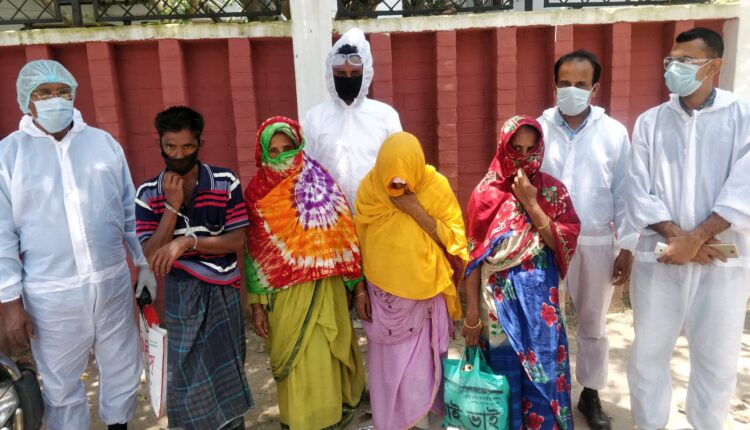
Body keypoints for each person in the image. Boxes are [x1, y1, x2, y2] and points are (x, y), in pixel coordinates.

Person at [0, 60, 156, 430]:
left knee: (122, 367)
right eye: (43, 93)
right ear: (27, 100)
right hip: (51, 295)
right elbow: (2, 234)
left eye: (62, 91)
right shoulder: (9, 155)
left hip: (111, 282)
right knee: (61, 384)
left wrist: (143, 264)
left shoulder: (102, 144)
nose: (55, 99)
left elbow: (128, 209)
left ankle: (119, 425)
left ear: (73, 94)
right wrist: (10, 302)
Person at [623, 27, 750, 430]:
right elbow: (637, 189)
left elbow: (745, 186)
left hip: (722, 260)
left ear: (714, 67)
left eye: (685, 61)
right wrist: (681, 239)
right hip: (661, 256)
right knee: (648, 354)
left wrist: (696, 239)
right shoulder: (651, 122)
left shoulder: (742, 117)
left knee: (716, 358)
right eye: (670, 60)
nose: (673, 68)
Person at [245, 116, 366, 430]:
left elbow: (343, 233)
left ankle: (330, 418)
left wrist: (357, 286)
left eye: (288, 147)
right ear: (263, 153)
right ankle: (297, 421)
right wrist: (256, 305)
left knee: (324, 356)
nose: (282, 156)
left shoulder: (319, 181)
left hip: (324, 288)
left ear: (299, 146)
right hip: (283, 299)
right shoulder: (256, 194)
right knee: (294, 363)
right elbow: (255, 255)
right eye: (274, 150)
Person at [135, 106, 252, 429]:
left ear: (200, 143)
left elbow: (236, 240)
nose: (179, 155)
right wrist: (171, 207)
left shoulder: (225, 182)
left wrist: (187, 243)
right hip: (181, 295)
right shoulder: (148, 193)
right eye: (171, 147)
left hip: (223, 291)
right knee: (186, 376)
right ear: (159, 144)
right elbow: (150, 255)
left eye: (187, 146)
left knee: (227, 370)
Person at [463, 115, 581, 430]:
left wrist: (532, 204)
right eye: (516, 149)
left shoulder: (552, 191)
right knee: (503, 383)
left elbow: (563, 244)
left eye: (531, 150)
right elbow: (473, 258)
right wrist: (471, 315)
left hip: (542, 309)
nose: (524, 158)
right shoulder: (485, 194)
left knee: (544, 381)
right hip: (497, 310)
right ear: (504, 147)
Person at [537, 49, 633, 429]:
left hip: (595, 241)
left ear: (595, 88)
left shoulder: (613, 133)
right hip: (546, 240)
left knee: (593, 322)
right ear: (554, 85)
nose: (571, 90)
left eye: (581, 84)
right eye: (564, 83)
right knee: (545, 320)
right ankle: (547, 394)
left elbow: (625, 191)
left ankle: (590, 395)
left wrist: (626, 247)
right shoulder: (538, 129)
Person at [354, 132, 469, 430]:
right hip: (383, 301)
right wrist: (359, 289)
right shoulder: (369, 190)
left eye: (404, 180)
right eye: (392, 181)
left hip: (425, 298)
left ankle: (425, 423)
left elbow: (455, 241)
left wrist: (415, 209)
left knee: (422, 372)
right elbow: (358, 245)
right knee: (389, 371)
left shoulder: (435, 186)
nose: (398, 187)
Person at [302, 27, 402, 210]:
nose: (348, 79)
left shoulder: (386, 116)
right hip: (330, 215)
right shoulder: (314, 118)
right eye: (341, 74)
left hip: (376, 214)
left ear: (365, 73)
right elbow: (304, 170)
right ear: (331, 73)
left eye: (355, 74)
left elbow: (398, 167)